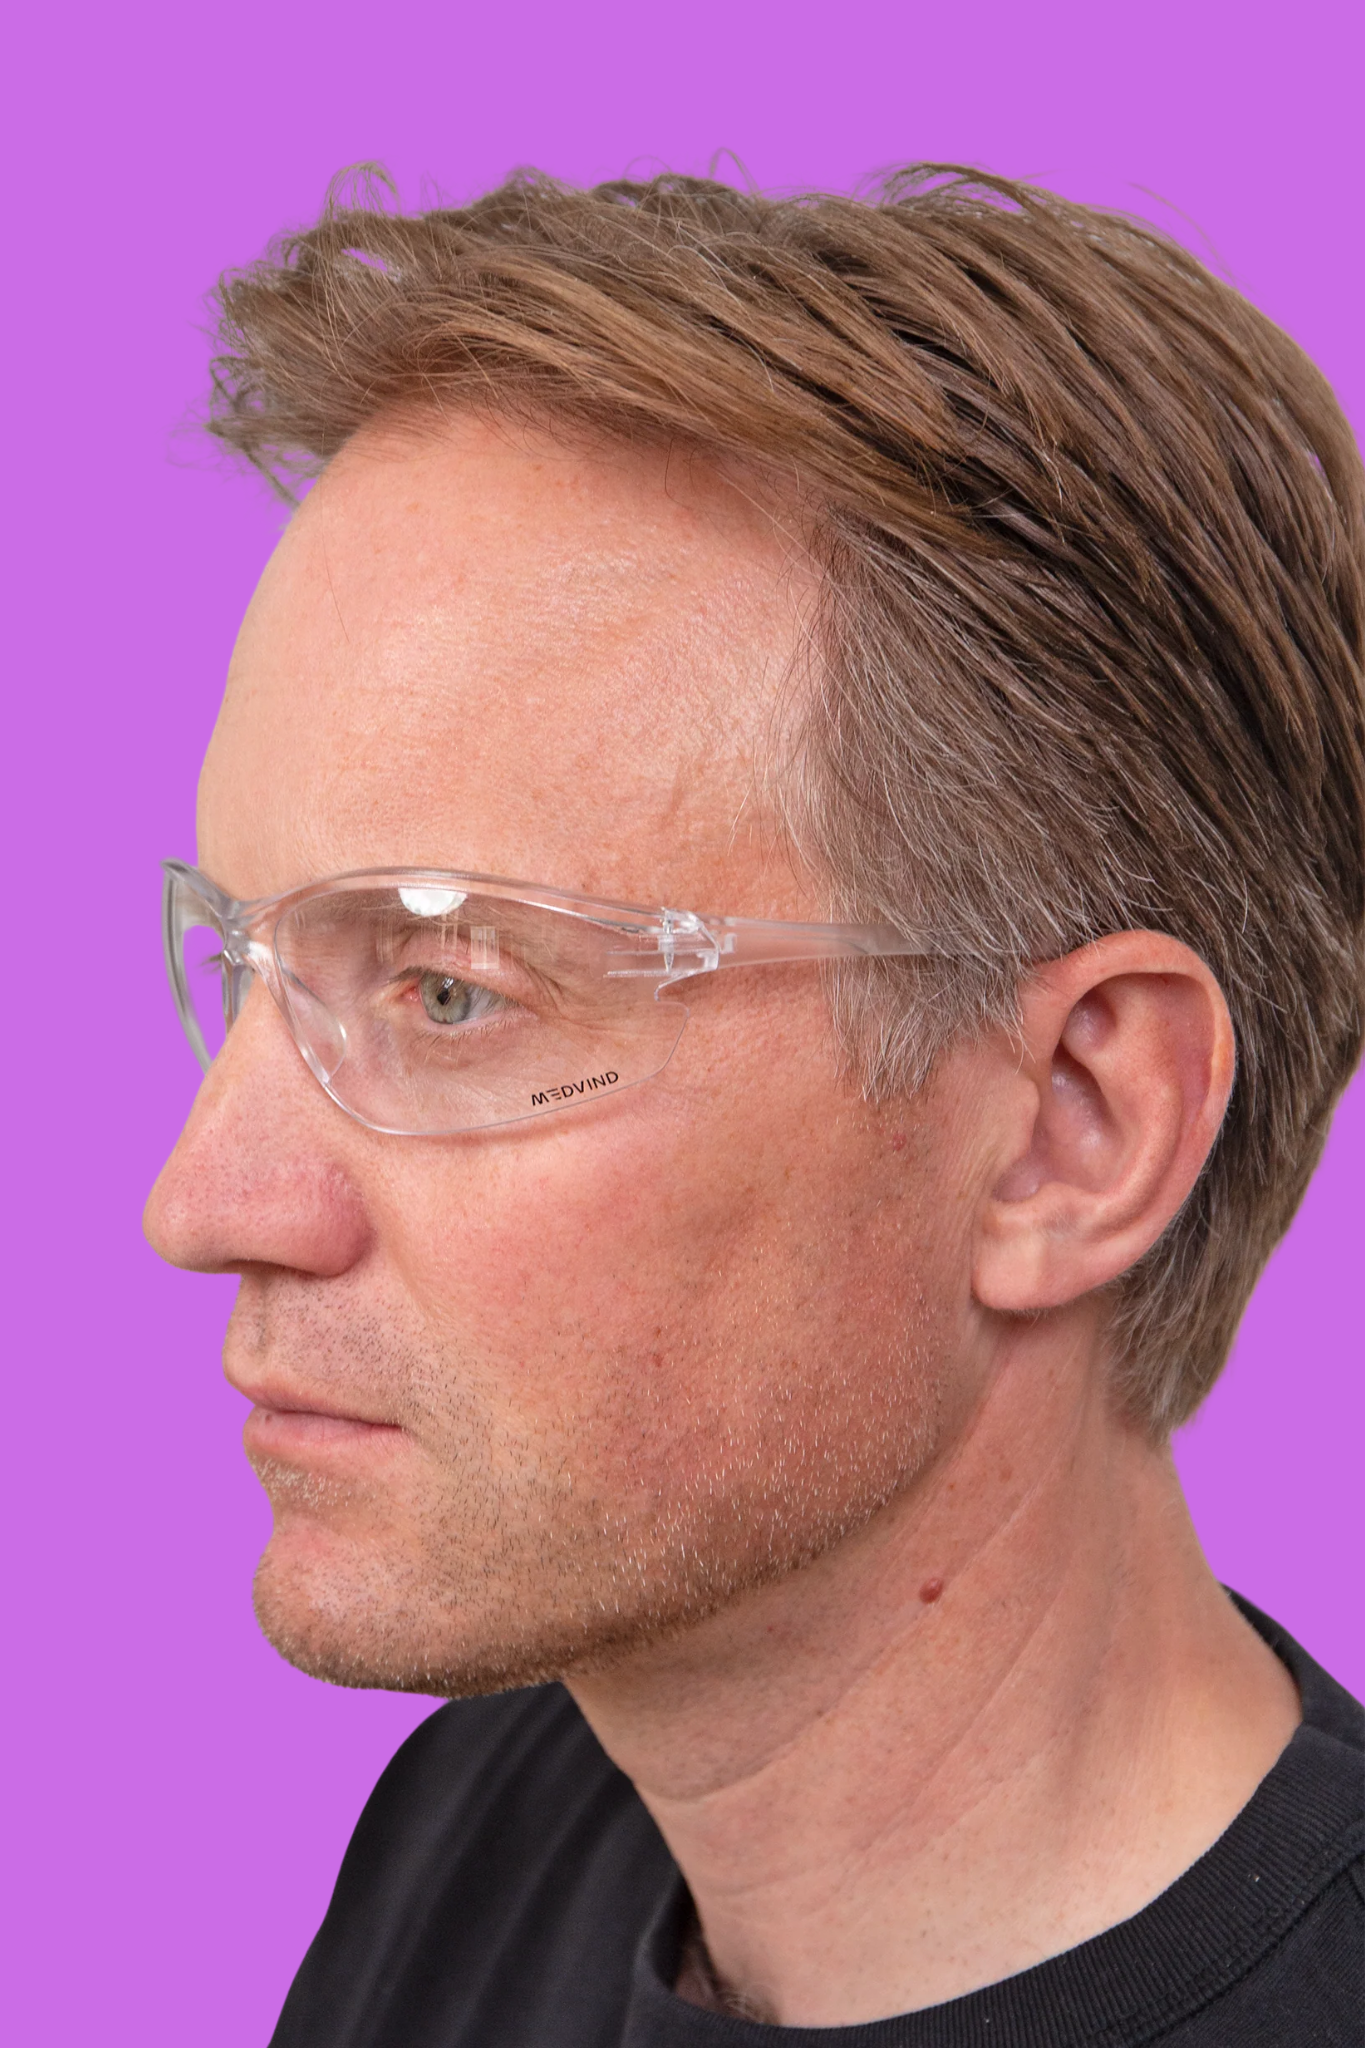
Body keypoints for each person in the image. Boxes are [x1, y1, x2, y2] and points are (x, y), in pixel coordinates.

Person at [144, 166, 1364, 2046]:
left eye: (452, 989)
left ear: (1071, 1127)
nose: (203, 1201)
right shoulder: (486, 1824)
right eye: (251, 964)